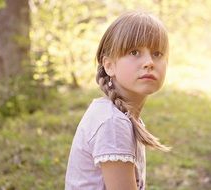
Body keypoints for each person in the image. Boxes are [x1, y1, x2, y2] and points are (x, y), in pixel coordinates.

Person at [65, 11, 171, 190]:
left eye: (157, 54)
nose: (149, 62)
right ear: (109, 66)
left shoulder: (119, 116)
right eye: (135, 52)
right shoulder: (112, 122)